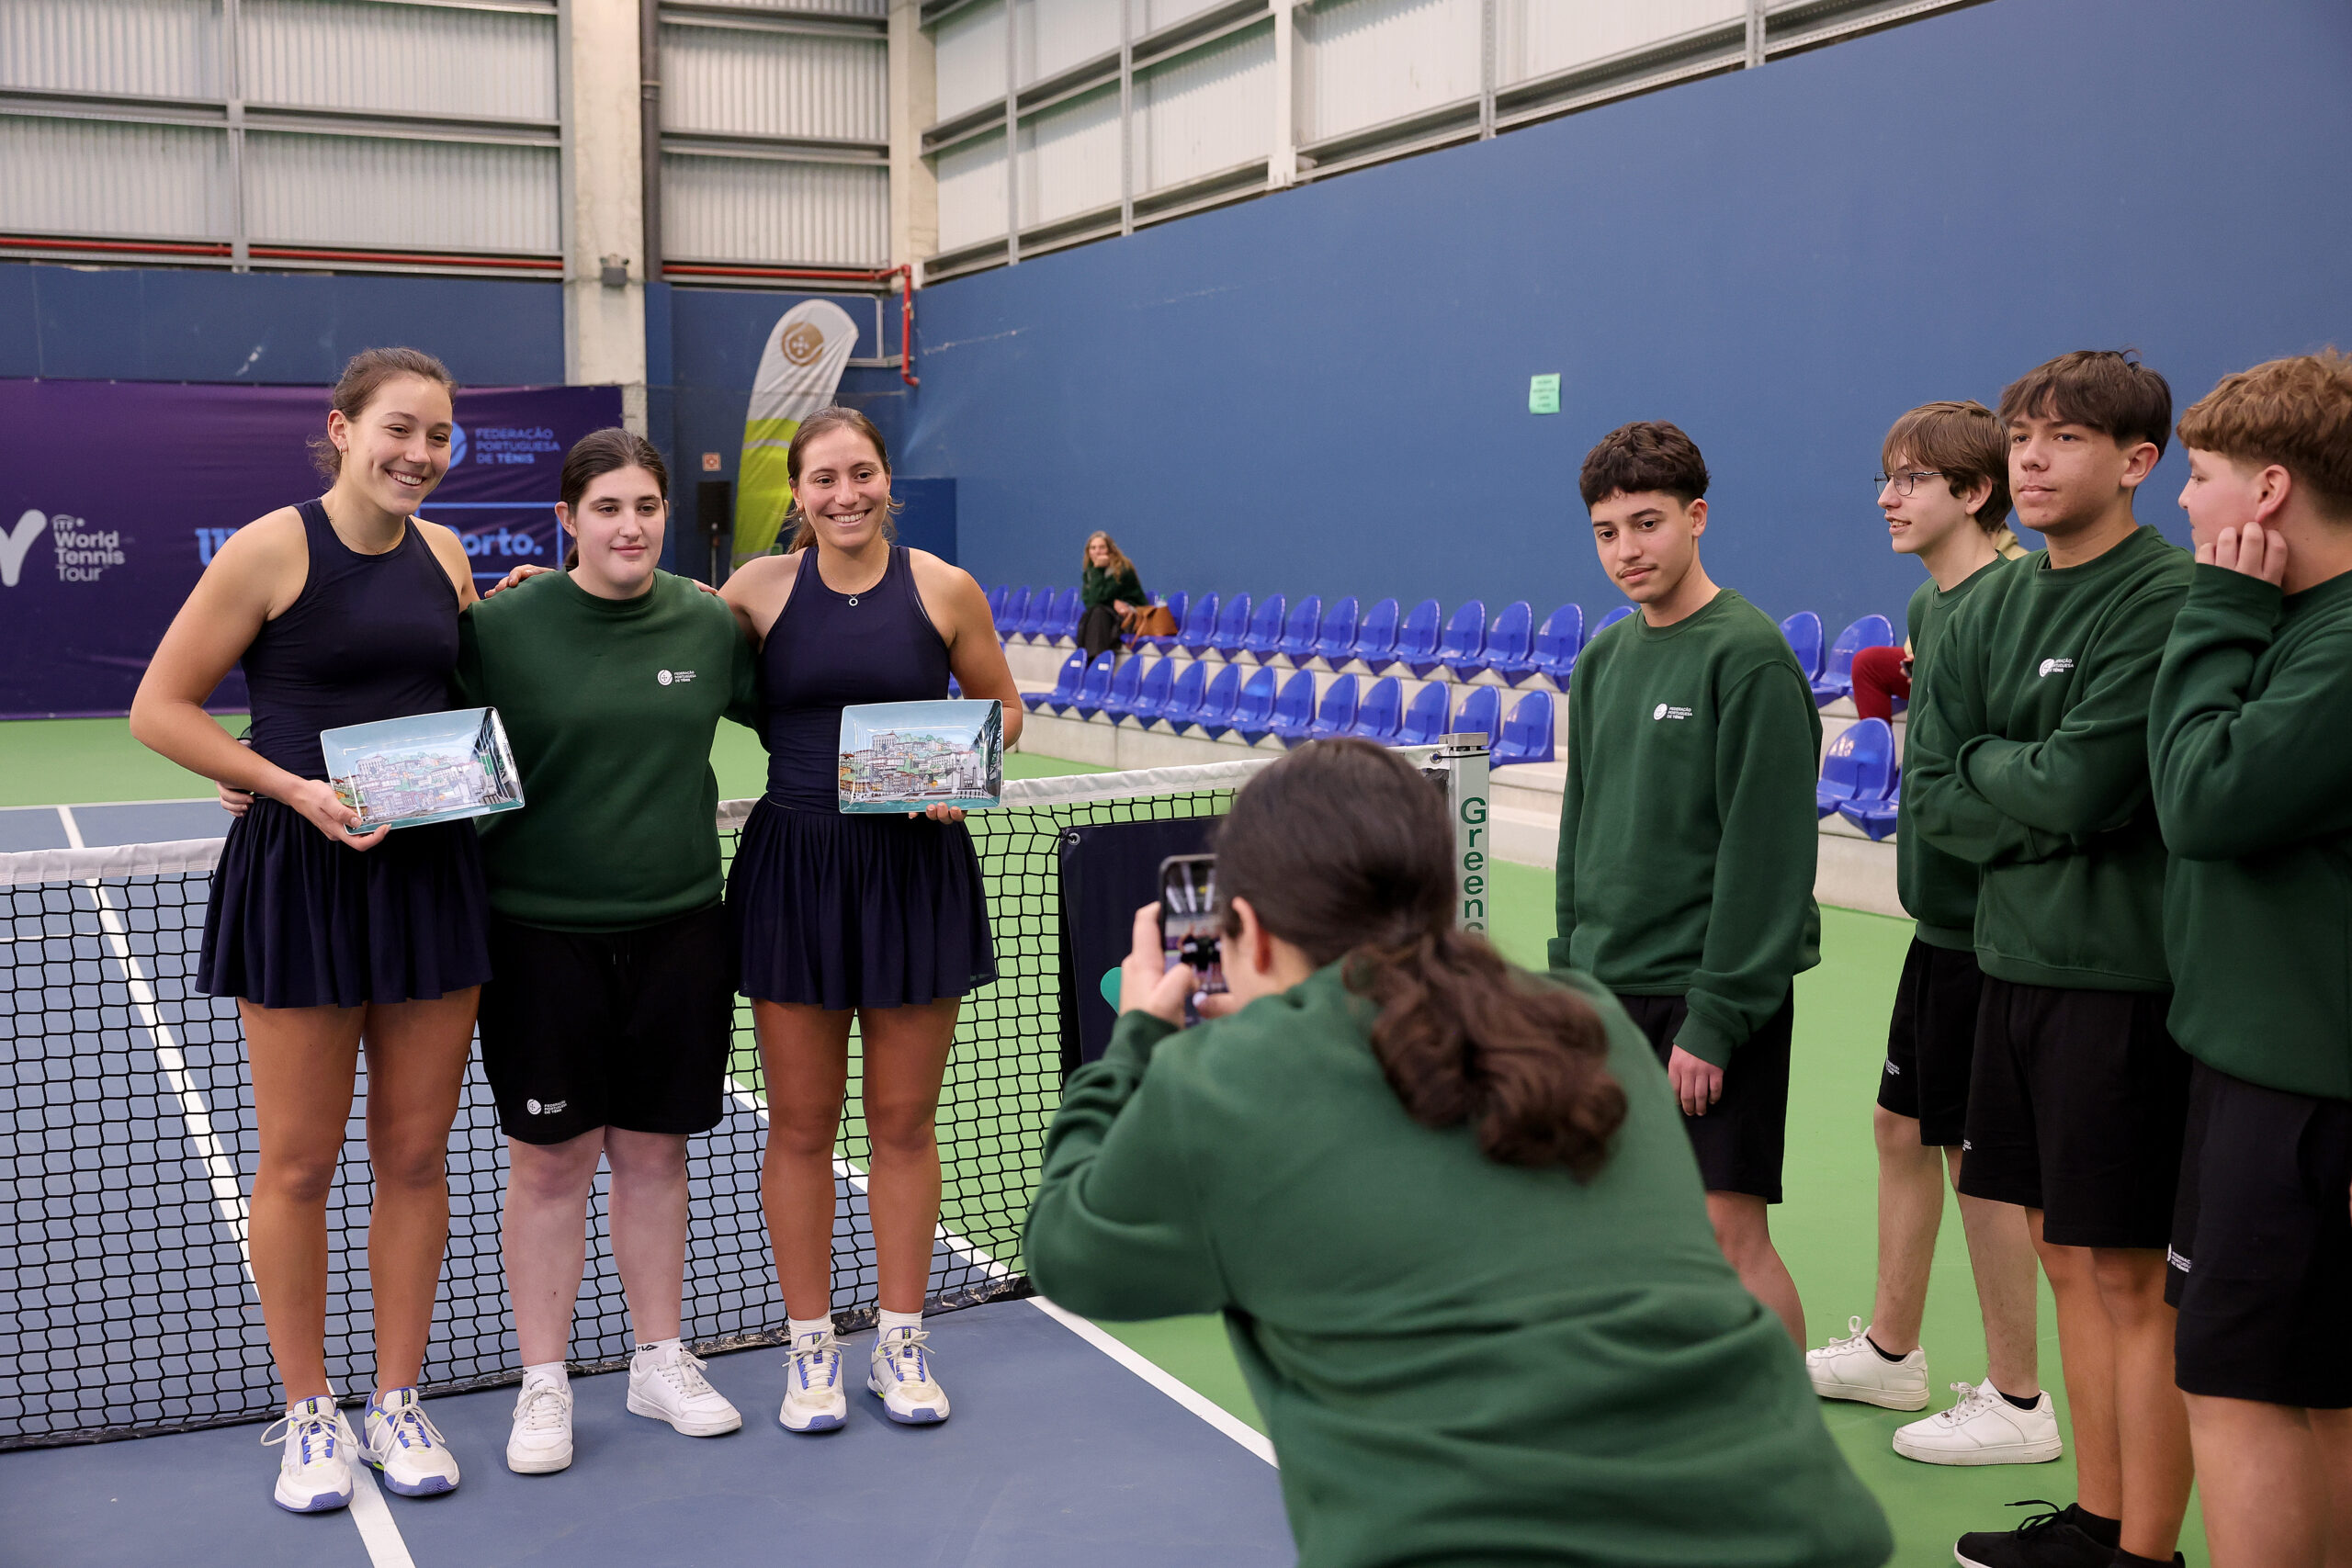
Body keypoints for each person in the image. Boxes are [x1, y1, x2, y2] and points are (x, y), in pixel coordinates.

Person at [1023, 739, 1892, 1568]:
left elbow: (1067, 1249)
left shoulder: (1219, 1080)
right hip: (1797, 1527)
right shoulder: (1590, 1018)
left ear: (1244, 932)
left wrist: (1135, 1036)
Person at [129, 347, 485, 1513]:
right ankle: (309, 1412)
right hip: (301, 876)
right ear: (341, 429)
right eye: (397, 429)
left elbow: (460, 708)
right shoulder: (271, 547)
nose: (418, 455)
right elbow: (160, 707)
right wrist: (279, 784)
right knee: (296, 1159)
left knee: (417, 1155)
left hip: (428, 877)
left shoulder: (446, 554)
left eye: (437, 436)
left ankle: (395, 1399)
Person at [1905, 350, 2195, 1568]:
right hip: (2008, 965)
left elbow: (2087, 779)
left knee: (2129, 1276)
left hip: (2118, 983)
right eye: (2023, 434)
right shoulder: (1990, 604)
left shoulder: (2160, 596)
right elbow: (1932, 794)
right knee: (2066, 1256)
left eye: (2065, 437)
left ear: (2137, 463)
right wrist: (2012, 781)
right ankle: (2097, 1508)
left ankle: (2147, 1547)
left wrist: (1999, 771)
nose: (2030, 456)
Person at [456, 430, 761, 1472]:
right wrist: (267, 767)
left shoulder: (709, 623)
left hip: (682, 929)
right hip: (537, 937)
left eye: (646, 506)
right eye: (607, 508)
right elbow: (399, 722)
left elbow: (803, 720)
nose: (629, 526)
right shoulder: (499, 628)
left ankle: (657, 1359)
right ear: (566, 520)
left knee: (654, 1156)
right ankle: (544, 1382)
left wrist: (934, 761)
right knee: (548, 1165)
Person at [719, 405, 1022, 1433]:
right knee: (801, 1128)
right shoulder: (755, 591)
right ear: (796, 494)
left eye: (861, 474)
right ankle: (812, 1351)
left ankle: (900, 1340)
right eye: (823, 480)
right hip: (794, 870)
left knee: (901, 1124)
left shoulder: (944, 588)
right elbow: (649, 669)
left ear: (887, 479)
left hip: (914, 870)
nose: (844, 495)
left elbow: (1005, 705)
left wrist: (969, 763)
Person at [1806, 400, 2057, 1467]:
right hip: (1938, 917)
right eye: (1886, 476)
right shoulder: (1938, 598)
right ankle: (1893, 1349)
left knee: (1978, 1161)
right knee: (1896, 1126)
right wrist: (1903, 676)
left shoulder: (2014, 598)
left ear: (1973, 493)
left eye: (1909, 479)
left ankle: (2018, 1400)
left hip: (1991, 926)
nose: (1886, 497)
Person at [1553, 420, 1820, 1345]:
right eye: (1606, 532)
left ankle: (1780, 1457)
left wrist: (1715, 1016)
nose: (1626, 550)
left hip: (1711, 1000)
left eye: (1647, 523)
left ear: (1696, 518)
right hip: (1610, 990)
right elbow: (1577, 831)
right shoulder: (1601, 659)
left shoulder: (1747, 657)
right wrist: (1570, 975)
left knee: (1725, 1232)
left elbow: (1768, 861)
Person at [2152, 352, 2352, 1568]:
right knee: (2316, 1388)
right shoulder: (2306, 629)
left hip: (2300, 1093)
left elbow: (2202, 797)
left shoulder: (2331, 641)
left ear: (2268, 490)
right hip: (2269, 1076)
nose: (2185, 499)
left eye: (2202, 474)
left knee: (2238, 1386)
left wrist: (2216, 610)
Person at [1848, 507, 2024, 723]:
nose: (1885, 500)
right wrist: (1915, 660)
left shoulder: (2018, 567)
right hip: (1926, 667)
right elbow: (1924, 630)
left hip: (1975, 674)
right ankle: (1874, 751)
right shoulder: (1931, 585)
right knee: (1868, 663)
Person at [1076, 530, 1147, 662]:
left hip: (1129, 617)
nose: (1097, 552)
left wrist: (1098, 570)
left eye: (1102, 547)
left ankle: (1096, 661)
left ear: (1110, 549)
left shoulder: (1122, 569)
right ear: (1088, 552)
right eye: (1093, 548)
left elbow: (1098, 598)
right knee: (1092, 614)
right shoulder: (1090, 572)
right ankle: (1092, 660)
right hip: (1106, 616)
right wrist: (1112, 602)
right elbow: (1089, 602)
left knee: (1098, 613)